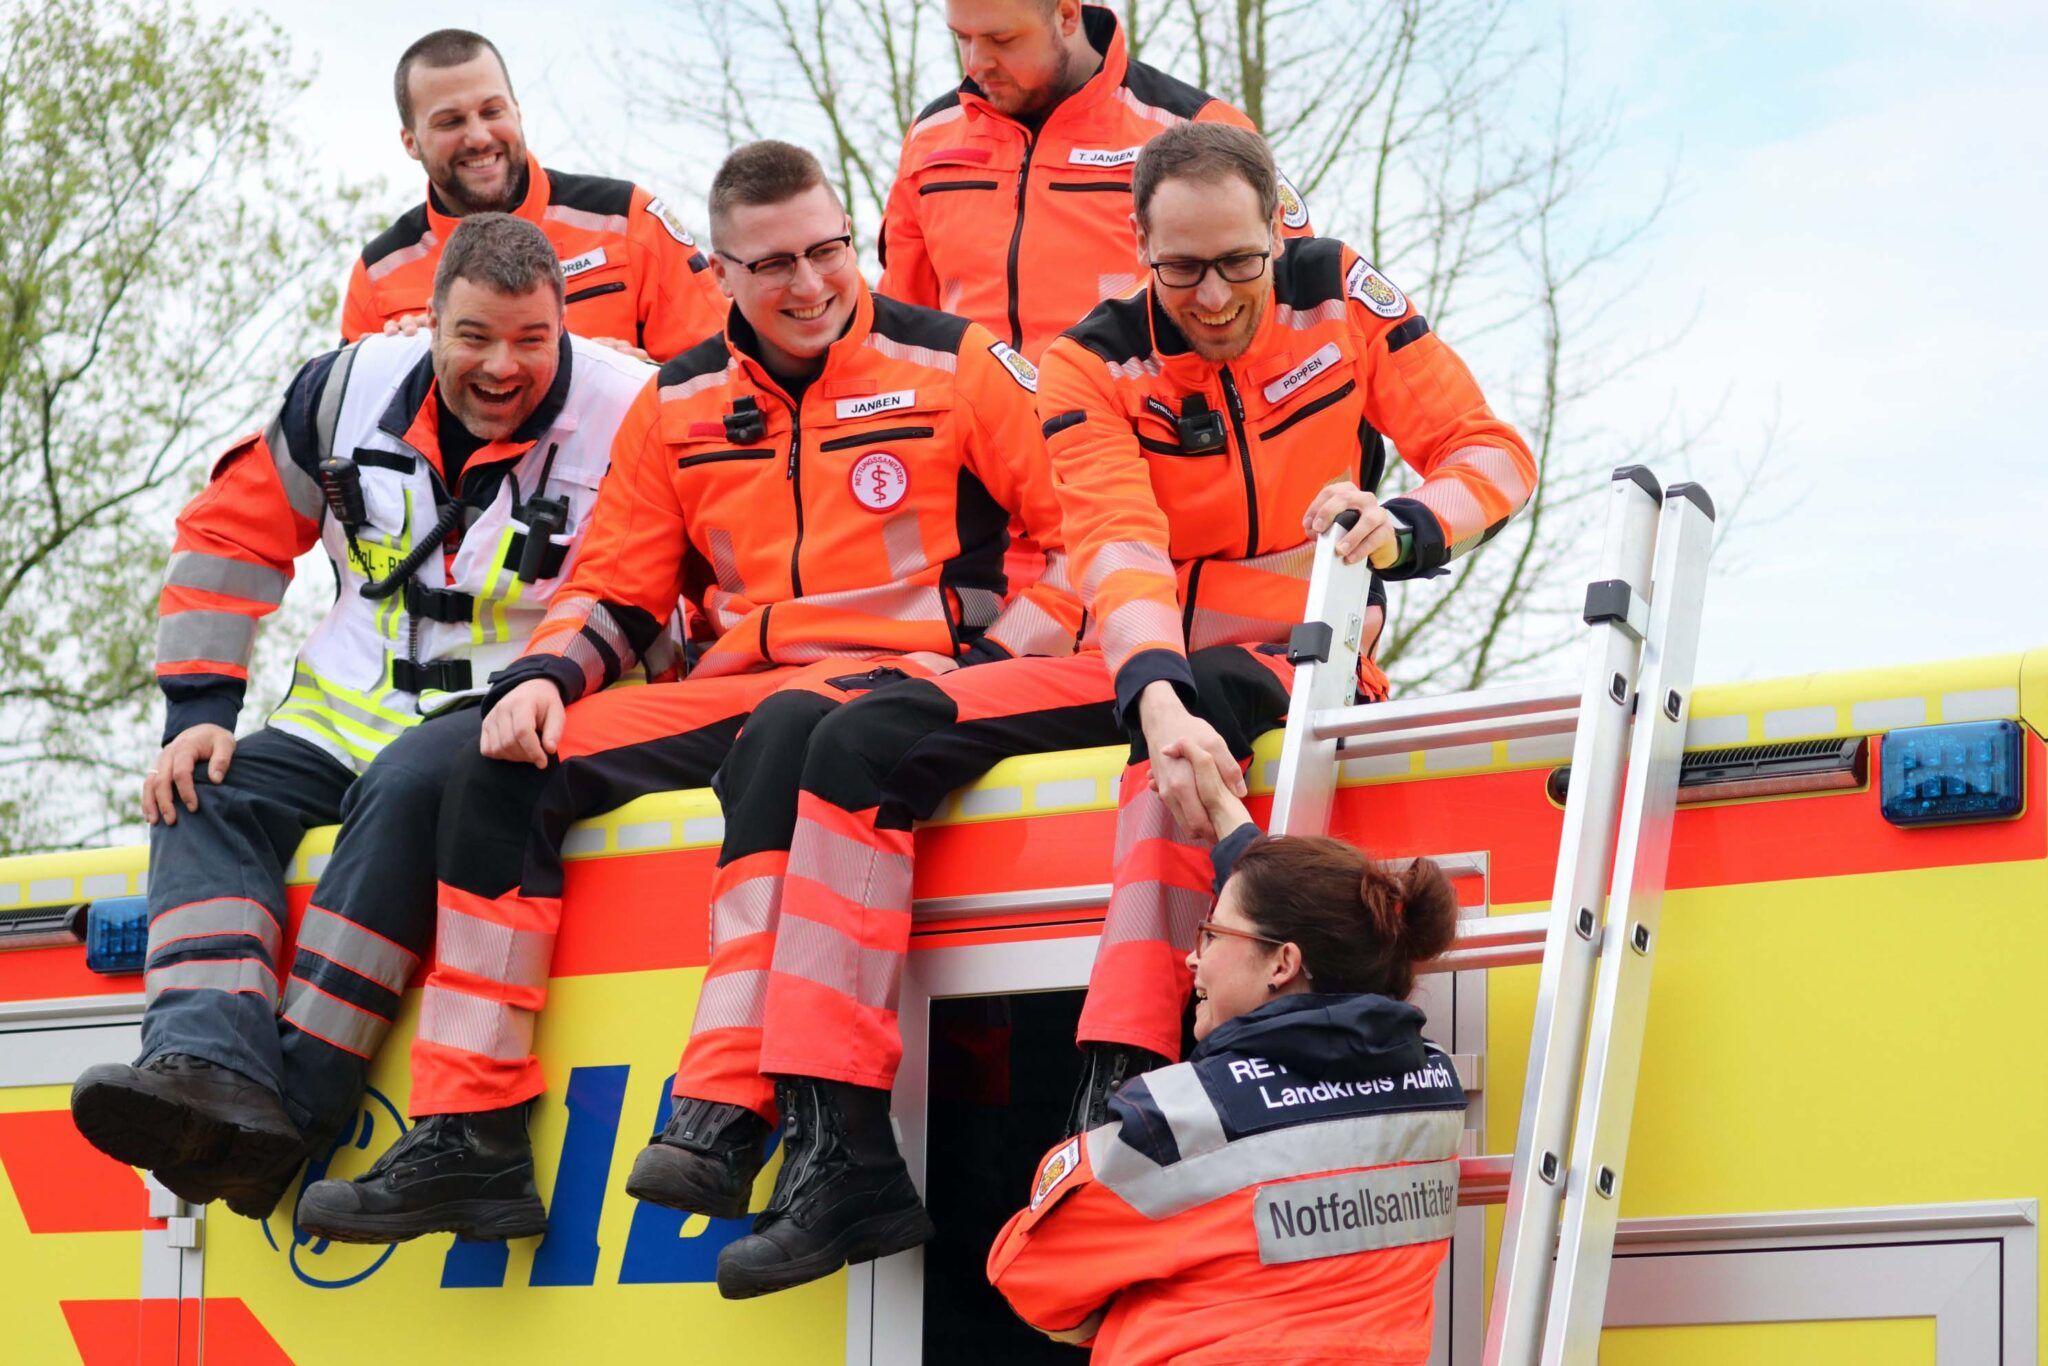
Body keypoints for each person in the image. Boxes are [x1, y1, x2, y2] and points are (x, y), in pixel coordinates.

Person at [652, 117, 1533, 1229]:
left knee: (1194, 723)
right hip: (1135, 659)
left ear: (1278, 232)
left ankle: (1121, 1082)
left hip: (1299, 662)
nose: (1214, 296)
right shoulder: (1085, 362)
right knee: (855, 736)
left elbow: (1490, 452)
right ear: (1139, 249)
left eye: (1239, 263)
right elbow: (1115, 543)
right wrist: (1153, 692)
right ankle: (836, 1138)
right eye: (1181, 269)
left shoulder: (1343, 298)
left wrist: (1402, 522)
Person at [291, 141, 1083, 1253]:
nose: (809, 284)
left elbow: (1080, 538)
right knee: (495, 756)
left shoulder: (957, 362)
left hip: (911, 676)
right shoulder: (677, 400)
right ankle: (470, 1129)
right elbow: (617, 588)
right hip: (741, 683)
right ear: (720, 274)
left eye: (827, 251)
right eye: (773, 265)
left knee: (788, 729)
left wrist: (992, 663)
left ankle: (727, 1106)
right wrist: (539, 678)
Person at [68, 215, 658, 1220]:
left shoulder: (633, 409)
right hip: (345, 706)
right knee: (197, 792)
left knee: (405, 789)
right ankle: (203, 1069)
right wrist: (200, 709)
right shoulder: (342, 390)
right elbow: (229, 534)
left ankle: (294, 1106)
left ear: (564, 324)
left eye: (532, 339)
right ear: (430, 321)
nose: (503, 366)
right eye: (474, 336)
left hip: (519, 704)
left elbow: (650, 577)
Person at [988, 741, 1467, 1364]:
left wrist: (1135, 1297)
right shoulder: (1434, 1085)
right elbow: (1314, 927)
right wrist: (1226, 820)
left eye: (1211, 934)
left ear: (1283, 963)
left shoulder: (1181, 1120)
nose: (1194, 958)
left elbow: (1027, 1275)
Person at [882, 0, 1313, 363]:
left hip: (1135, 427)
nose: (976, 62)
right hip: (974, 431)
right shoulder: (931, 136)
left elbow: (1290, 314)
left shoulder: (1195, 128)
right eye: (962, 38)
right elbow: (902, 325)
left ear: (1067, 14)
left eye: (1002, 39)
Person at [342, 29, 726, 362]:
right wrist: (401, 363)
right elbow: (350, 415)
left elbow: (725, 370)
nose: (478, 137)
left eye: (492, 111)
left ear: (517, 111)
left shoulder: (627, 221)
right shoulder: (379, 274)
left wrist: (634, 379)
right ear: (410, 142)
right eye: (450, 122)